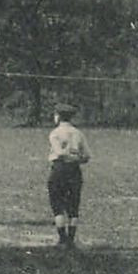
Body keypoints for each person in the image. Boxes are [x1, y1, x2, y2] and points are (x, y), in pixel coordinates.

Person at [47, 102, 91, 247]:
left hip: (59, 169)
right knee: (73, 205)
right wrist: (75, 157)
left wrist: (66, 153)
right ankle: (71, 239)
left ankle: (62, 238)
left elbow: (58, 152)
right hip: (74, 169)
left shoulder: (55, 133)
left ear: (58, 117)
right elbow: (87, 156)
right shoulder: (78, 133)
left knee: (57, 203)